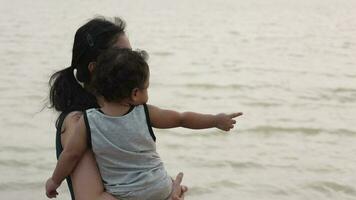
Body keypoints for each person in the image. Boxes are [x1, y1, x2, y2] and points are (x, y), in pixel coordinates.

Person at [46, 48, 243, 200]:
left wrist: (54, 181)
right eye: (146, 87)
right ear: (135, 93)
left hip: (124, 195)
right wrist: (215, 120)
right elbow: (182, 119)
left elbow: (70, 155)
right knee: (176, 187)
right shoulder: (144, 113)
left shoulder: (88, 121)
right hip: (159, 188)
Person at [47, 17, 187, 200]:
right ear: (94, 68)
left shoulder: (121, 113)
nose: (132, 60)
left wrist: (169, 189)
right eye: (123, 54)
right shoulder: (79, 122)